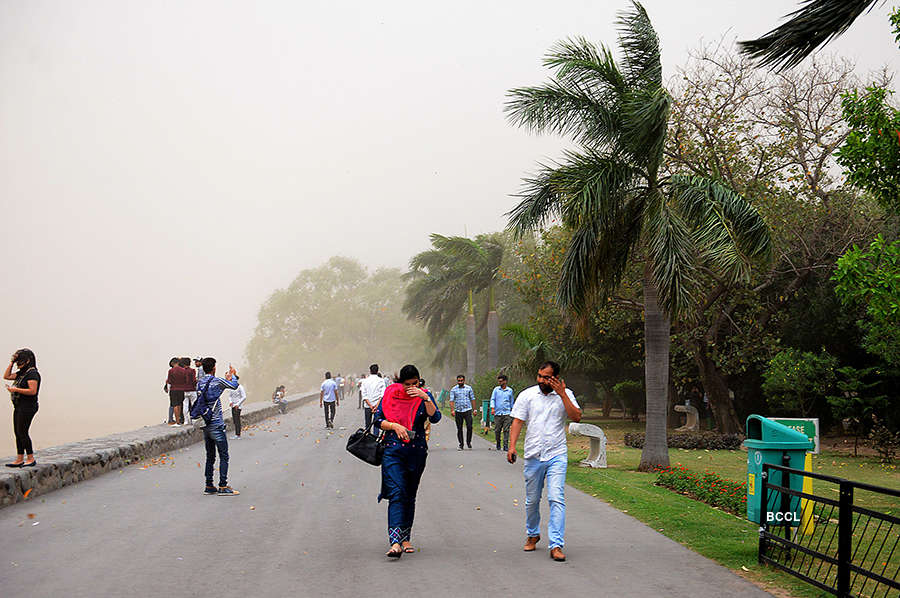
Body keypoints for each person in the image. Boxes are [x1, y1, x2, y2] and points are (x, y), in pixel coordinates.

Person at [507, 361, 581, 562]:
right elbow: (518, 421)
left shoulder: (566, 395)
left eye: (546, 377)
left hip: (557, 454)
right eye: (539, 376)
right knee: (532, 501)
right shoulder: (527, 395)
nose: (541, 380)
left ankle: (556, 544)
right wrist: (512, 446)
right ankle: (533, 533)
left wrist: (563, 394)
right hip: (533, 455)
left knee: (556, 497)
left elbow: (576, 417)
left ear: (555, 377)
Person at [373, 364, 441, 558]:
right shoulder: (390, 394)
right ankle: (394, 542)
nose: (411, 387)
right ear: (400, 383)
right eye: (408, 384)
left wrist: (425, 397)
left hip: (416, 452)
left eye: (415, 383)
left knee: (409, 494)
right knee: (397, 492)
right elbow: (378, 420)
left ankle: (405, 537)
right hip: (393, 451)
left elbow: (435, 417)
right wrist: (394, 426)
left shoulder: (423, 396)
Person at [190, 357, 240, 496]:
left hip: (205, 423)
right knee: (224, 455)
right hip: (216, 424)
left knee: (210, 456)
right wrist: (233, 375)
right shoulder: (217, 381)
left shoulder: (200, 383)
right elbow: (234, 386)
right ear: (213, 368)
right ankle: (223, 486)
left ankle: (209, 485)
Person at [4, 349, 41, 468]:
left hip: (28, 406)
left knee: (23, 432)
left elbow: (32, 391)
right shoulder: (22, 373)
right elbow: (7, 376)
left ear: (28, 360)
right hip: (19, 405)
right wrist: (11, 362)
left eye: (20, 361)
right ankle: (19, 458)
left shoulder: (32, 373)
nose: (18, 363)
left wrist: (15, 390)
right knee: (17, 432)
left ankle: (30, 458)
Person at [449, 374, 475, 450]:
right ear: (457, 381)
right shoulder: (454, 389)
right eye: (459, 381)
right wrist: (452, 410)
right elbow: (451, 400)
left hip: (467, 410)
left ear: (464, 380)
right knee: (459, 428)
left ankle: (468, 442)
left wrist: (475, 409)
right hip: (458, 411)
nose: (460, 382)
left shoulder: (469, 388)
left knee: (469, 427)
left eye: (461, 381)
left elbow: (472, 398)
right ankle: (461, 444)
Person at [166, 357, 194, 426]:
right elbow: (186, 380)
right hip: (182, 389)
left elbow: (169, 381)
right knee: (180, 404)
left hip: (173, 389)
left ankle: (177, 421)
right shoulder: (183, 370)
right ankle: (185, 419)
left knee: (175, 405)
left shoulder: (171, 371)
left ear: (173, 363)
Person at [491, 374, 515, 452]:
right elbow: (493, 399)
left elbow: (511, 402)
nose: (500, 383)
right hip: (498, 413)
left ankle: (505, 445)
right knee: (497, 430)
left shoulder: (510, 391)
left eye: (501, 381)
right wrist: (492, 408)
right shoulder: (496, 390)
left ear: (505, 381)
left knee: (506, 430)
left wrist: (512, 412)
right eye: (499, 381)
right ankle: (498, 443)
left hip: (507, 413)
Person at [361, 363, 386, 433]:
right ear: (377, 371)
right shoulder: (381, 381)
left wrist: (370, 406)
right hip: (377, 406)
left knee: (367, 425)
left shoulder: (365, 381)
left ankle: (367, 439)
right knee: (377, 425)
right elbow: (382, 395)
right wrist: (376, 406)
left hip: (368, 406)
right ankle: (375, 441)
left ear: (370, 371)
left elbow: (364, 395)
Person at [180, 357, 197, 425]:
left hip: (184, 390)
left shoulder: (181, 371)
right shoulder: (192, 370)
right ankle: (193, 419)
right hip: (192, 389)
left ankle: (186, 421)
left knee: (185, 406)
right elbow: (194, 380)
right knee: (194, 405)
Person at [165, 357, 178, 424]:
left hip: (172, 388)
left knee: (173, 404)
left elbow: (167, 380)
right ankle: (171, 419)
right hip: (174, 388)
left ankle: (171, 419)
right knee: (173, 404)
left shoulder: (171, 370)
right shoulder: (174, 371)